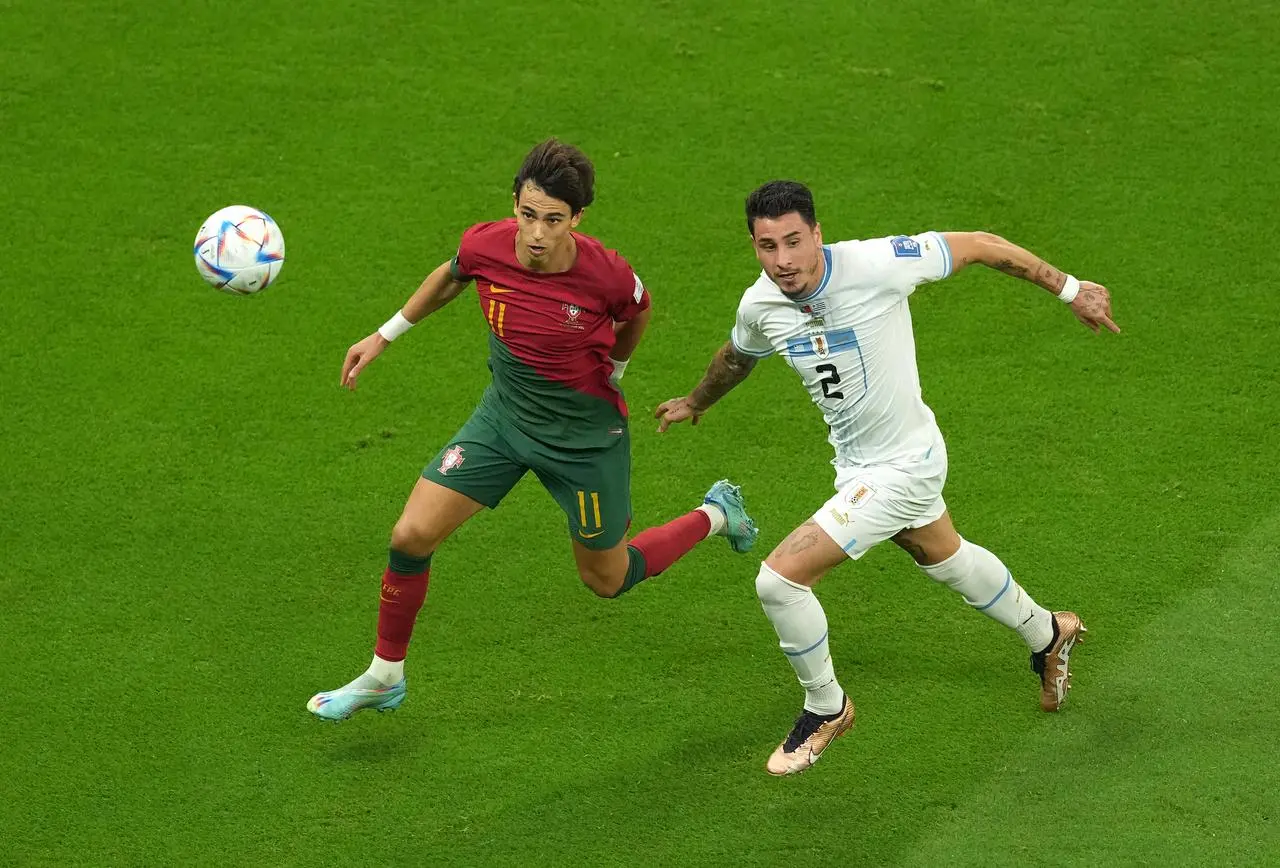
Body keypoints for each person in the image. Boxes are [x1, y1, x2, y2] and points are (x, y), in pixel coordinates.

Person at [655, 180, 1118, 775]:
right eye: (767, 247)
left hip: (905, 464)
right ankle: (1049, 632)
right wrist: (697, 401)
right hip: (858, 465)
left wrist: (1072, 290)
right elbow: (738, 356)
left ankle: (826, 707)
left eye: (794, 242)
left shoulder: (877, 264)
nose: (784, 261)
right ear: (754, 246)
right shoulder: (760, 306)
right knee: (942, 555)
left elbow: (977, 243)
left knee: (779, 582)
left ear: (817, 234)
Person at [308, 140, 758, 721]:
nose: (537, 233)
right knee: (410, 536)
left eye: (554, 220)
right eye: (528, 214)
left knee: (607, 579)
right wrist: (384, 334)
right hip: (504, 419)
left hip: (582, 439)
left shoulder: (606, 272)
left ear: (577, 219)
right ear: (514, 204)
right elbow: (453, 275)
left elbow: (639, 310)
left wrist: (616, 370)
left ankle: (717, 514)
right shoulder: (485, 245)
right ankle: (383, 675)